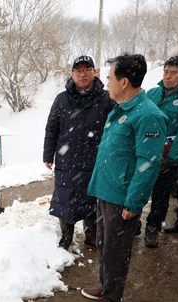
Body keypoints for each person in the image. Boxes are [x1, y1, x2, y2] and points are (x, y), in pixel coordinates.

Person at [82, 53, 168, 302]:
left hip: (122, 197)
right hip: (105, 190)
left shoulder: (148, 116)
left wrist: (134, 203)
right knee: (103, 244)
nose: (106, 82)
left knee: (116, 251)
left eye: (109, 78)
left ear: (125, 82)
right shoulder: (120, 109)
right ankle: (105, 285)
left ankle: (112, 300)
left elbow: (149, 163)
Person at [43, 55, 114, 251]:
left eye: (86, 69)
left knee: (93, 200)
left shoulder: (106, 98)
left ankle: (91, 238)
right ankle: (66, 237)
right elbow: (52, 128)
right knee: (65, 199)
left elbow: (115, 129)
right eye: (78, 70)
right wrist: (48, 154)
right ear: (72, 74)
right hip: (67, 160)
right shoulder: (62, 99)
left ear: (94, 72)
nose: (82, 74)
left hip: (96, 159)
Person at [146, 57, 178, 240]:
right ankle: (132, 225)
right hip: (146, 152)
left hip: (168, 157)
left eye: (173, 73)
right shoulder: (152, 93)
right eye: (166, 72)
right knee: (138, 190)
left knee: (160, 195)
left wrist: (172, 159)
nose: (168, 77)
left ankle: (152, 228)